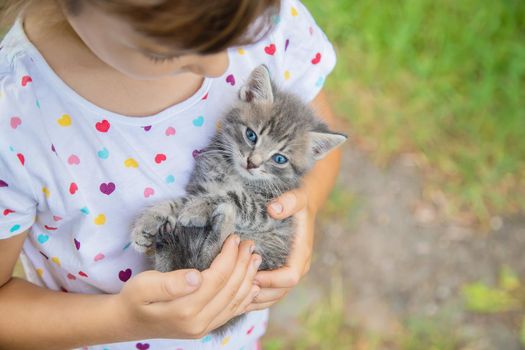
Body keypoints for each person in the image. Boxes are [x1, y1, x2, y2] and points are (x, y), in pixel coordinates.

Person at [0, 0, 342, 348]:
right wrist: (121, 320)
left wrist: (304, 208)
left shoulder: (270, 19)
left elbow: (322, 147)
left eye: (239, 34)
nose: (218, 66)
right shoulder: (13, 117)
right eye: (167, 52)